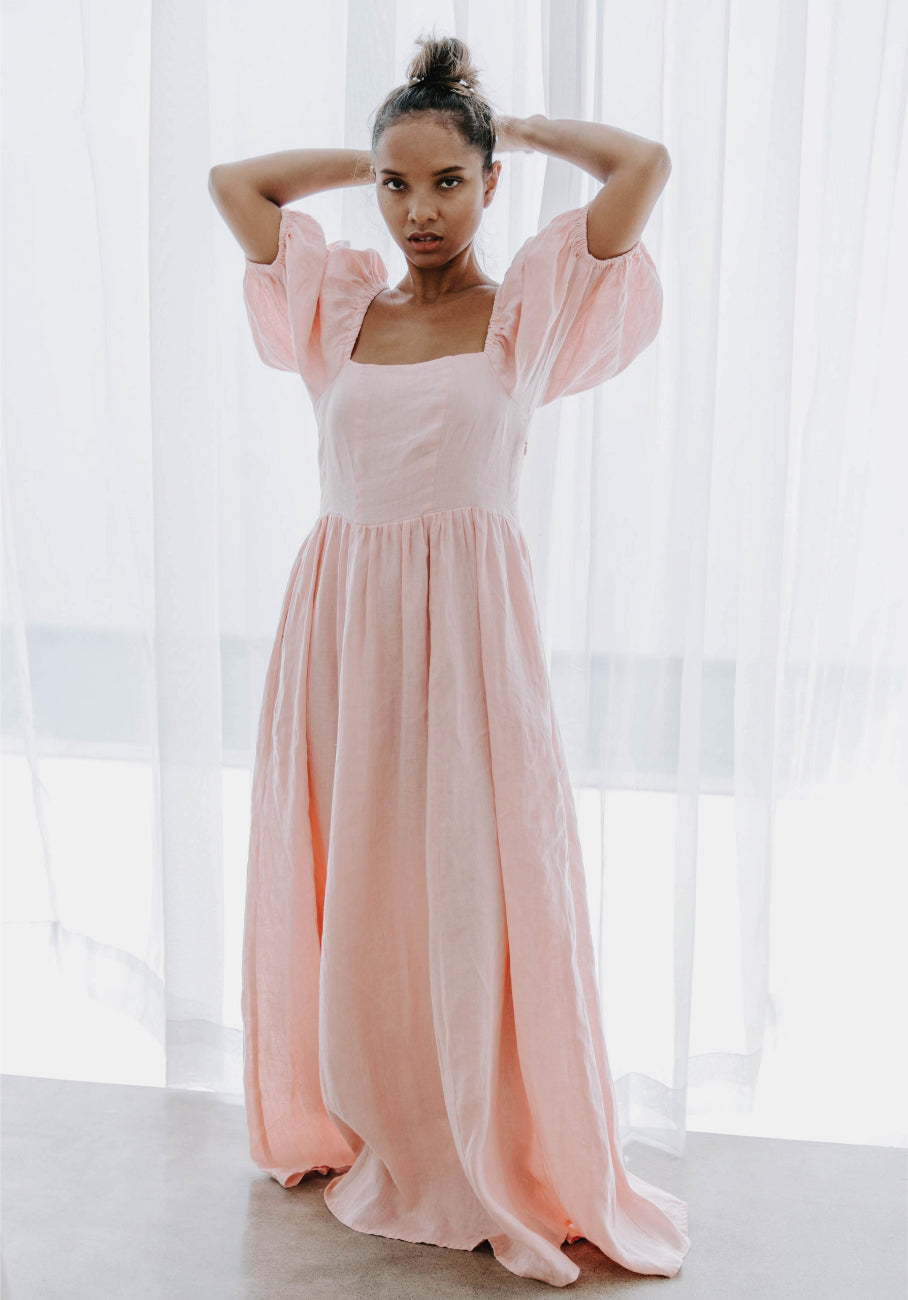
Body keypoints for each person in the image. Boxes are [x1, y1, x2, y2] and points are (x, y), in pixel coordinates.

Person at [210, 31, 687, 1290]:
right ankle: (379, 1116)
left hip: (471, 637)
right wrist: (385, 141)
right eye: (396, 185)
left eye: (447, 184)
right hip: (341, 630)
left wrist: (505, 127)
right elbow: (233, 186)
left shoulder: (523, 313)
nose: (419, 211)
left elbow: (642, 165)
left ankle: (489, 1130)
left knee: (473, 878)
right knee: (361, 878)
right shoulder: (337, 309)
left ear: (487, 186)